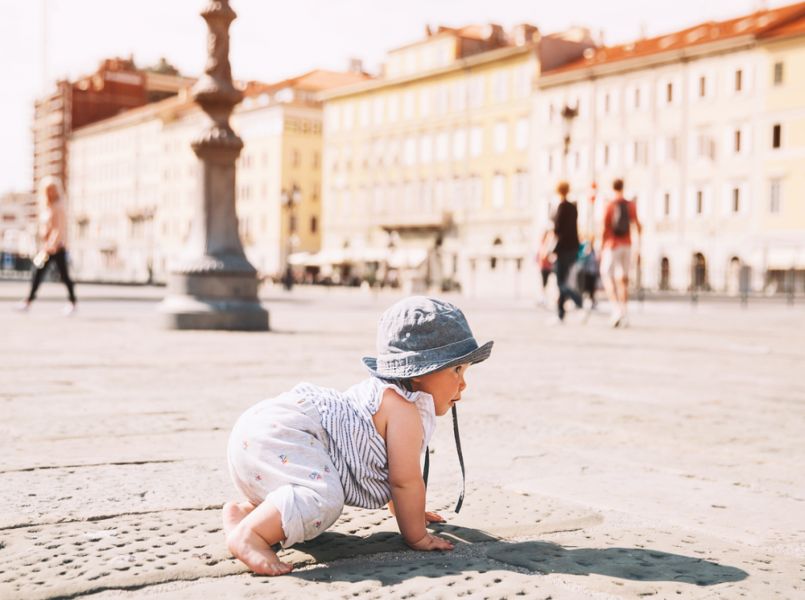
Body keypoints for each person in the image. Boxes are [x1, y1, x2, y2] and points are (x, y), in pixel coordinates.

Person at [222, 296, 493, 575]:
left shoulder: (380, 395)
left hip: (258, 431)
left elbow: (389, 467)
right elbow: (404, 481)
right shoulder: (404, 411)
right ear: (420, 372)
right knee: (323, 498)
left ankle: (248, 515)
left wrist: (408, 510)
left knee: (298, 488)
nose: (464, 383)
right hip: (286, 435)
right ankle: (250, 536)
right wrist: (417, 535)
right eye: (456, 369)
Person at [17, 176, 77, 315]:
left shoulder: (59, 206)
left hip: (57, 248)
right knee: (38, 273)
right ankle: (28, 301)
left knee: (64, 276)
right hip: (48, 247)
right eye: (47, 190)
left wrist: (52, 245)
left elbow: (59, 229)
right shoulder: (48, 207)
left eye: (52, 190)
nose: (50, 193)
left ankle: (72, 302)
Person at [599, 178, 642, 328]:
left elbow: (604, 227)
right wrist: (638, 246)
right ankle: (624, 313)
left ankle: (616, 309)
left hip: (612, 245)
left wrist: (601, 246)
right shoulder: (630, 205)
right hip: (627, 244)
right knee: (623, 280)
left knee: (606, 274)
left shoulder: (610, 205)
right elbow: (637, 225)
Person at [551, 181, 583, 322]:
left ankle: (579, 301)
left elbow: (557, 230)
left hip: (562, 248)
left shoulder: (561, 207)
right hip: (573, 248)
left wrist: (550, 248)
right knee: (566, 280)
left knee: (560, 282)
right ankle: (561, 313)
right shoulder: (573, 207)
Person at [536, 230, 555, 306]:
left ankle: (545, 299)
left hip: (547, 267)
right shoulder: (543, 245)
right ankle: (543, 298)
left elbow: (547, 256)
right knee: (544, 284)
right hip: (544, 266)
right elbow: (540, 256)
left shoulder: (548, 245)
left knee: (547, 284)